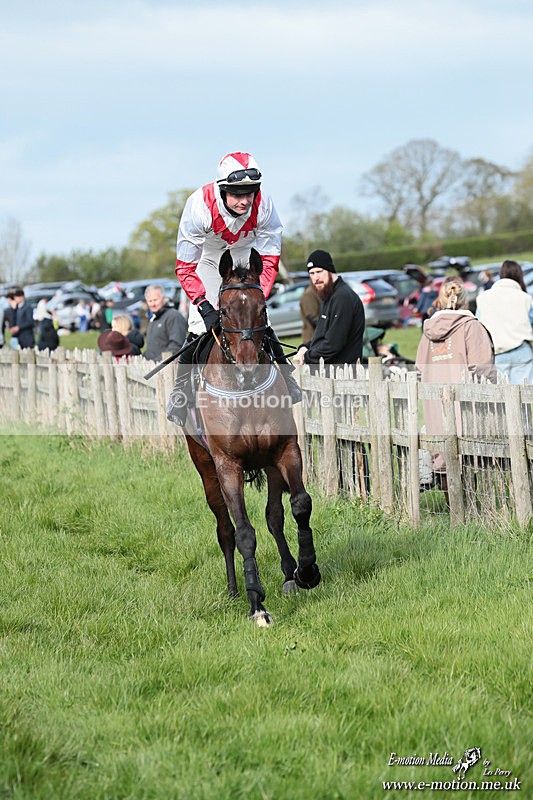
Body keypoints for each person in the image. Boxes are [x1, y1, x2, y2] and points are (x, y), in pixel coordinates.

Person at [168, 151, 300, 426]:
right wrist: (204, 306)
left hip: (243, 250)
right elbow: (185, 268)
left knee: (258, 317)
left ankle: (287, 378)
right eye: (237, 194)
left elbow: (270, 257)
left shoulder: (264, 206)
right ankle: (180, 392)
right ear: (223, 190)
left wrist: (257, 295)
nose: (244, 201)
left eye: (250, 193)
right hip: (207, 255)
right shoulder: (199, 207)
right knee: (198, 324)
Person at [416, 276, 496, 488]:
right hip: (466, 408)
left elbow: (418, 370)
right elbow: (483, 370)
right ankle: (467, 514)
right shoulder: (471, 327)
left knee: (442, 458)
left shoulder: (428, 333)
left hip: (435, 407)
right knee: (467, 459)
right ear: (465, 301)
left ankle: (454, 514)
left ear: (440, 301)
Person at [292, 250, 365, 369]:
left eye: (319, 271)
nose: (316, 277)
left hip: (344, 376)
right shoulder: (330, 295)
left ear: (330, 270)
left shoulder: (342, 297)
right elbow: (322, 336)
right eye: (312, 273)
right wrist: (304, 348)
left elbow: (333, 344)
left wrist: (306, 357)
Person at [475, 260, 533, 384]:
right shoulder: (526, 298)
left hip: (497, 352)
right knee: (523, 397)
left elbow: (478, 328)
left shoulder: (483, 298)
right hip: (522, 351)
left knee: (502, 398)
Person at [143, 284, 187, 362]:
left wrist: (157, 362)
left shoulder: (173, 316)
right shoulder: (153, 318)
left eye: (155, 300)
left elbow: (176, 346)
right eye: (150, 301)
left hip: (167, 368)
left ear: (163, 299)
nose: (153, 304)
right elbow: (151, 348)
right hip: (151, 367)